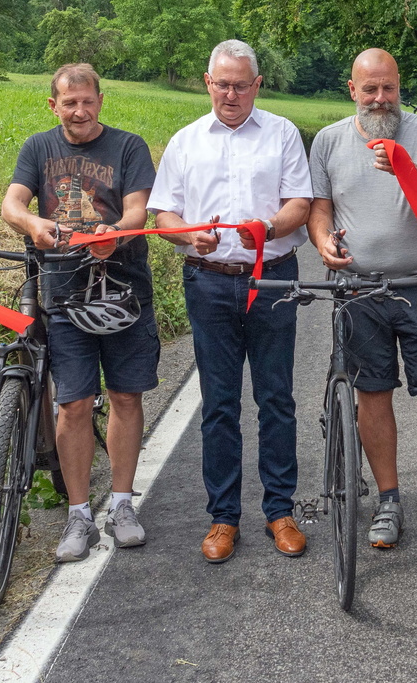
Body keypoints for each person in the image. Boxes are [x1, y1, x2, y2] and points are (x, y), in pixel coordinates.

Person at [148, 40, 312, 564]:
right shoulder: (186, 141)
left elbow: (300, 205)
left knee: (276, 398)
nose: (232, 94)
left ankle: (280, 510)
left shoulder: (283, 133)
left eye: (242, 84)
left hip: (271, 278)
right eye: (223, 84)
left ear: (257, 86)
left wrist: (267, 228)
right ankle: (223, 517)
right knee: (218, 404)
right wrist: (186, 236)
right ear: (207, 82)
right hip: (209, 281)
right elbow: (164, 215)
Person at [307, 48, 417, 559]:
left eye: (389, 89)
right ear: (352, 90)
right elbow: (320, 207)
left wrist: (405, 168)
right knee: (372, 395)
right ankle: (389, 500)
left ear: (400, 88)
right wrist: (321, 242)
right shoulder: (330, 141)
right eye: (370, 89)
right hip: (359, 288)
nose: (381, 99)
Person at [1, 63, 158, 562]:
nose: (79, 111)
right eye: (69, 103)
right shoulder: (37, 148)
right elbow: (12, 203)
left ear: (100, 100)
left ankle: (122, 504)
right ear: (54, 105)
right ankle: (77, 516)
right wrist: (31, 224)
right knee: (71, 402)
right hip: (63, 293)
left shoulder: (128, 147)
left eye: (87, 101)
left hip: (123, 291)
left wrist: (117, 235)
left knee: (125, 395)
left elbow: (139, 209)